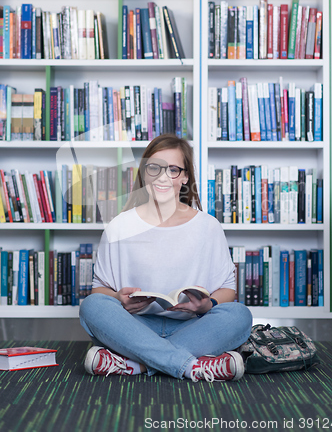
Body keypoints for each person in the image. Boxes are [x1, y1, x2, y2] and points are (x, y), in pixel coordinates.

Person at [79, 134, 252, 382]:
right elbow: (100, 290)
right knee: (92, 307)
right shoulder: (119, 226)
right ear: (144, 173)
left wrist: (207, 305)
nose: (162, 177)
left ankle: (134, 364)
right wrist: (118, 298)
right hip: (133, 327)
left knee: (239, 315)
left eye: (172, 169)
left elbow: (227, 290)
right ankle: (192, 366)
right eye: (154, 167)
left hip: (192, 327)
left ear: (184, 177)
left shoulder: (208, 226)